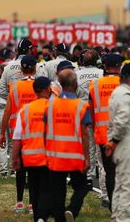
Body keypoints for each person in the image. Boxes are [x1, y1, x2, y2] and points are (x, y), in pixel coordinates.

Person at [44, 69, 91, 222]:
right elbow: (85, 134)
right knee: (82, 187)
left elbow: (45, 131)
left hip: (55, 155)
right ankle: (72, 209)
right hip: (75, 155)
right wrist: (87, 158)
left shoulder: (50, 105)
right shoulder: (81, 106)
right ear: (75, 84)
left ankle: (60, 219)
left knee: (57, 192)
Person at [105, 63, 130, 222]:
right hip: (129, 146)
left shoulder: (121, 92)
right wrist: (114, 141)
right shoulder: (125, 95)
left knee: (121, 188)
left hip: (125, 145)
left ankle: (117, 219)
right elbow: (122, 121)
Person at [0, 54, 38, 213]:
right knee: (35, 169)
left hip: (18, 130)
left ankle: (20, 202)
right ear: (35, 69)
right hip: (36, 130)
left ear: (21, 69)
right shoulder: (40, 85)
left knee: (20, 168)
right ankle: (32, 203)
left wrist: (2, 133)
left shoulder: (14, 86)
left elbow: (7, 110)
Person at [11, 76, 52, 222]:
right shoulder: (53, 107)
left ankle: (37, 217)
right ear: (47, 89)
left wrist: (15, 158)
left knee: (34, 188)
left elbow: (17, 137)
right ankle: (42, 216)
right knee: (46, 188)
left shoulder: (25, 110)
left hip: (30, 157)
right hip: (49, 156)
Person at [89, 53, 122, 209]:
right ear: (119, 66)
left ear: (105, 67)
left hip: (102, 134)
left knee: (109, 171)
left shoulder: (94, 85)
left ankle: (111, 204)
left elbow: (91, 111)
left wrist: (95, 129)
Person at [76, 50, 104, 189]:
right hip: (99, 112)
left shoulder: (76, 74)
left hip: (82, 112)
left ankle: (87, 175)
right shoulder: (102, 74)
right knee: (100, 143)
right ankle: (101, 172)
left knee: (86, 145)